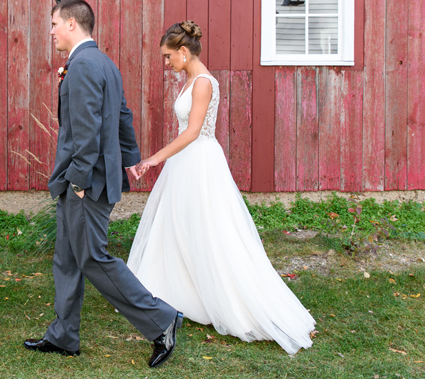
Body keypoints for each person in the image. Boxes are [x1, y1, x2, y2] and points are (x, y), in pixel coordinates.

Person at [127, 21, 315, 355]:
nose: (166, 63)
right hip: (184, 162)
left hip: (199, 160)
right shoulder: (189, 79)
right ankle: (177, 291)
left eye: (169, 56)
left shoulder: (203, 83)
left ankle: (225, 296)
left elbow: (193, 131)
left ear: (184, 52)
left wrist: (154, 159)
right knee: (177, 224)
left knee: (208, 229)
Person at [24, 0, 183, 368]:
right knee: (66, 258)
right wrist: (128, 161)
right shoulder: (105, 64)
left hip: (85, 184)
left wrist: (79, 180)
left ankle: (161, 320)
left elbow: (87, 130)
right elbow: (123, 116)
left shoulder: (81, 66)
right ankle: (64, 335)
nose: (50, 32)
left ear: (72, 25)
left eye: (53, 24)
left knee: (93, 258)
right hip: (87, 179)